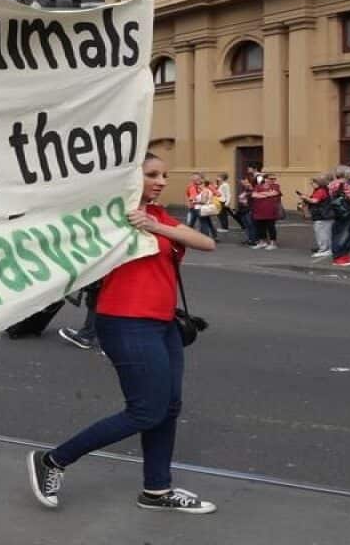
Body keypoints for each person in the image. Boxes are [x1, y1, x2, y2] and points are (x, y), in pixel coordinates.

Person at [28, 152, 216, 514]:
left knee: (169, 408)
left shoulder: (157, 216)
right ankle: (53, 460)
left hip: (163, 324)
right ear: (131, 178)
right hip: (126, 321)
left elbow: (206, 243)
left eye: (164, 174)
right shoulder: (112, 218)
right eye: (152, 175)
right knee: (146, 411)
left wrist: (157, 226)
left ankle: (156, 491)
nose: (161, 181)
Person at [299, 175, 334, 258]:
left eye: (312, 183)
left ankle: (324, 250)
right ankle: (327, 249)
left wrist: (305, 198)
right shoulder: (324, 189)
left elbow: (315, 201)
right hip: (326, 215)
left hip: (322, 216)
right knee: (326, 233)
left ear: (318, 183)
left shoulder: (320, 190)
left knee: (321, 233)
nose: (311, 184)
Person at [249, 174, 282, 250]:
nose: (272, 180)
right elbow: (254, 195)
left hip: (271, 210)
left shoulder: (276, 186)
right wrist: (267, 194)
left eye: (274, 178)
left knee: (271, 227)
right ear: (265, 179)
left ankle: (273, 243)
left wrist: (260, 194)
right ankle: (262, 242)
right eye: (270, 178)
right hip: (259, 210)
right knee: (260, 227)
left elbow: (275, 193)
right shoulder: (258, 186)